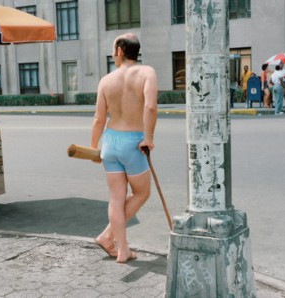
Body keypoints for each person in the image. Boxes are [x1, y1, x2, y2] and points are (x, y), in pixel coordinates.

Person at [90, 33, 157, 263]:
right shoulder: (147, 73)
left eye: (112, 49)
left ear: (119, 50)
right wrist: (148, 137)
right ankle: (112, 240)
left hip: (110, 141)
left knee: (116, 198)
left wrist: (92, 148)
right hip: (134, 143)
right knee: (142, 192)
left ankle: (121, 247)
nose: (112, 54)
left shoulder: (106, 80)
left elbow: (99, 118)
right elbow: (150, 107)